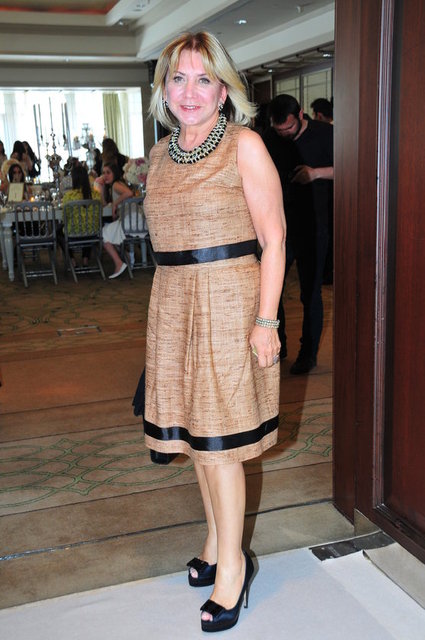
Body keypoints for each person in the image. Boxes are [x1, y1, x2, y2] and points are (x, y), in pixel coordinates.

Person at [144, 31, 285, 633]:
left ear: (224, 91)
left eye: (204, 79)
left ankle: (234, 568)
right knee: (197, 438)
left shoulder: (244, 146)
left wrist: (266, 321)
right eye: (178, 78)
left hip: (229, 304)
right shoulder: (159, 155)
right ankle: (214, 539)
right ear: (164, 88)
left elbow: (274, 239)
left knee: (222, 445)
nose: (190, 91)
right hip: (173, 305)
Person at [263, 93, 333, 374]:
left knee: (310, 292)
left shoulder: (325, 134)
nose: (284, 133)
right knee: (272, 289)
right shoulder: (269, 138)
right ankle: (278, 344)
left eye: (289, 128)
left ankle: (308, 354)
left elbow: (352, 168)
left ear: (301, 115)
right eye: (279, 129)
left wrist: (315, 173)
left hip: (314, 227)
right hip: (279, 226)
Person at [59, 164, 102, 267]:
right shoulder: (96, 195)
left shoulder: (69, 196)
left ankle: (72, 259)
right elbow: (98, 215)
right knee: (88, 223)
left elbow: (64, 218)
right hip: (93, 233)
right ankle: (85, 258)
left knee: (58, 232)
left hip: (73, 233)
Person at [95, 162, 133, 278]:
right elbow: (103, 204)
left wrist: (115, 203)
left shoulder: (116, 184)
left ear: (114, 173)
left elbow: (129, 193)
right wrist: (101, 188)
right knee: (108, 230)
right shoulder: (114, 185)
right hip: (129, 219)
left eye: (108, 172)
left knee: (103, 233)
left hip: (130, 219)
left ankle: (119, 263)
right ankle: (126, 256)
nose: (105, 176)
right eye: (103, 173)